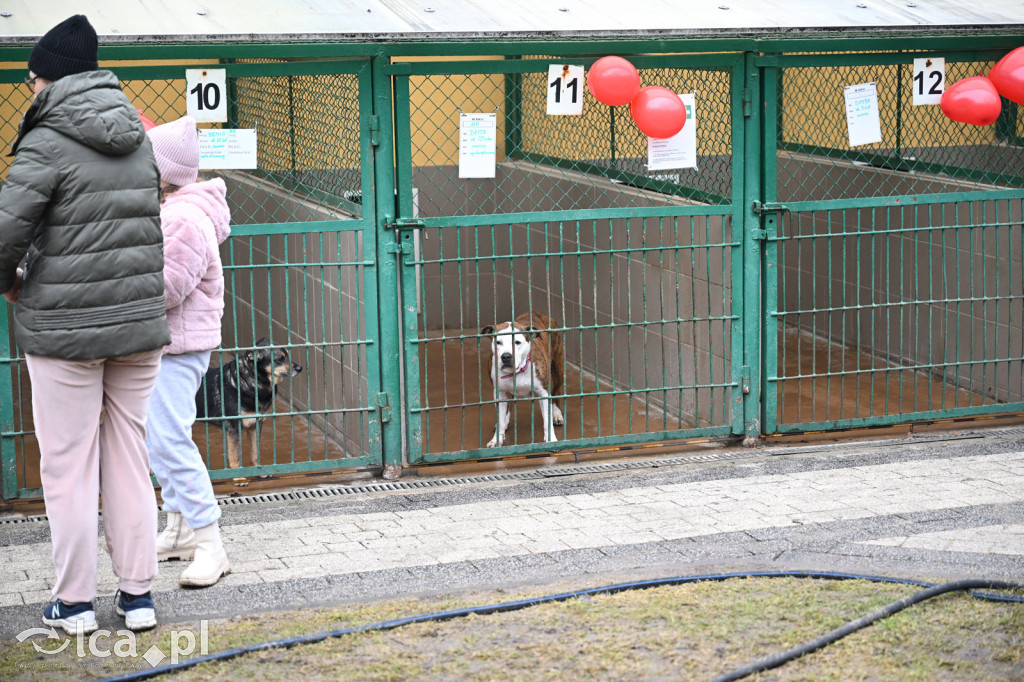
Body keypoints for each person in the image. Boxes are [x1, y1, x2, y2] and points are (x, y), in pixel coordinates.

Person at [0, 15, 169, 633]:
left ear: (47, 80)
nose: (31, 93)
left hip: (64, 329)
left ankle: (73, 605)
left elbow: (4, 235)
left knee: (68, 464)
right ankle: (138, 598)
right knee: (128, 454)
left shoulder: (45, 141)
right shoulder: (138, 135)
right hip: (139, 323)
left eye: (30, 82)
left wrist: (13, 284)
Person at [144, 116, 232, 587]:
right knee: (159, 438)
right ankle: (178, 529)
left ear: (164, 172)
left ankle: (210, 543)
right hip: (171, 342)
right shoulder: (175, 209)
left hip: (177, 345)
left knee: (171, 440)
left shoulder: (182, 216)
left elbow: (168, 286)